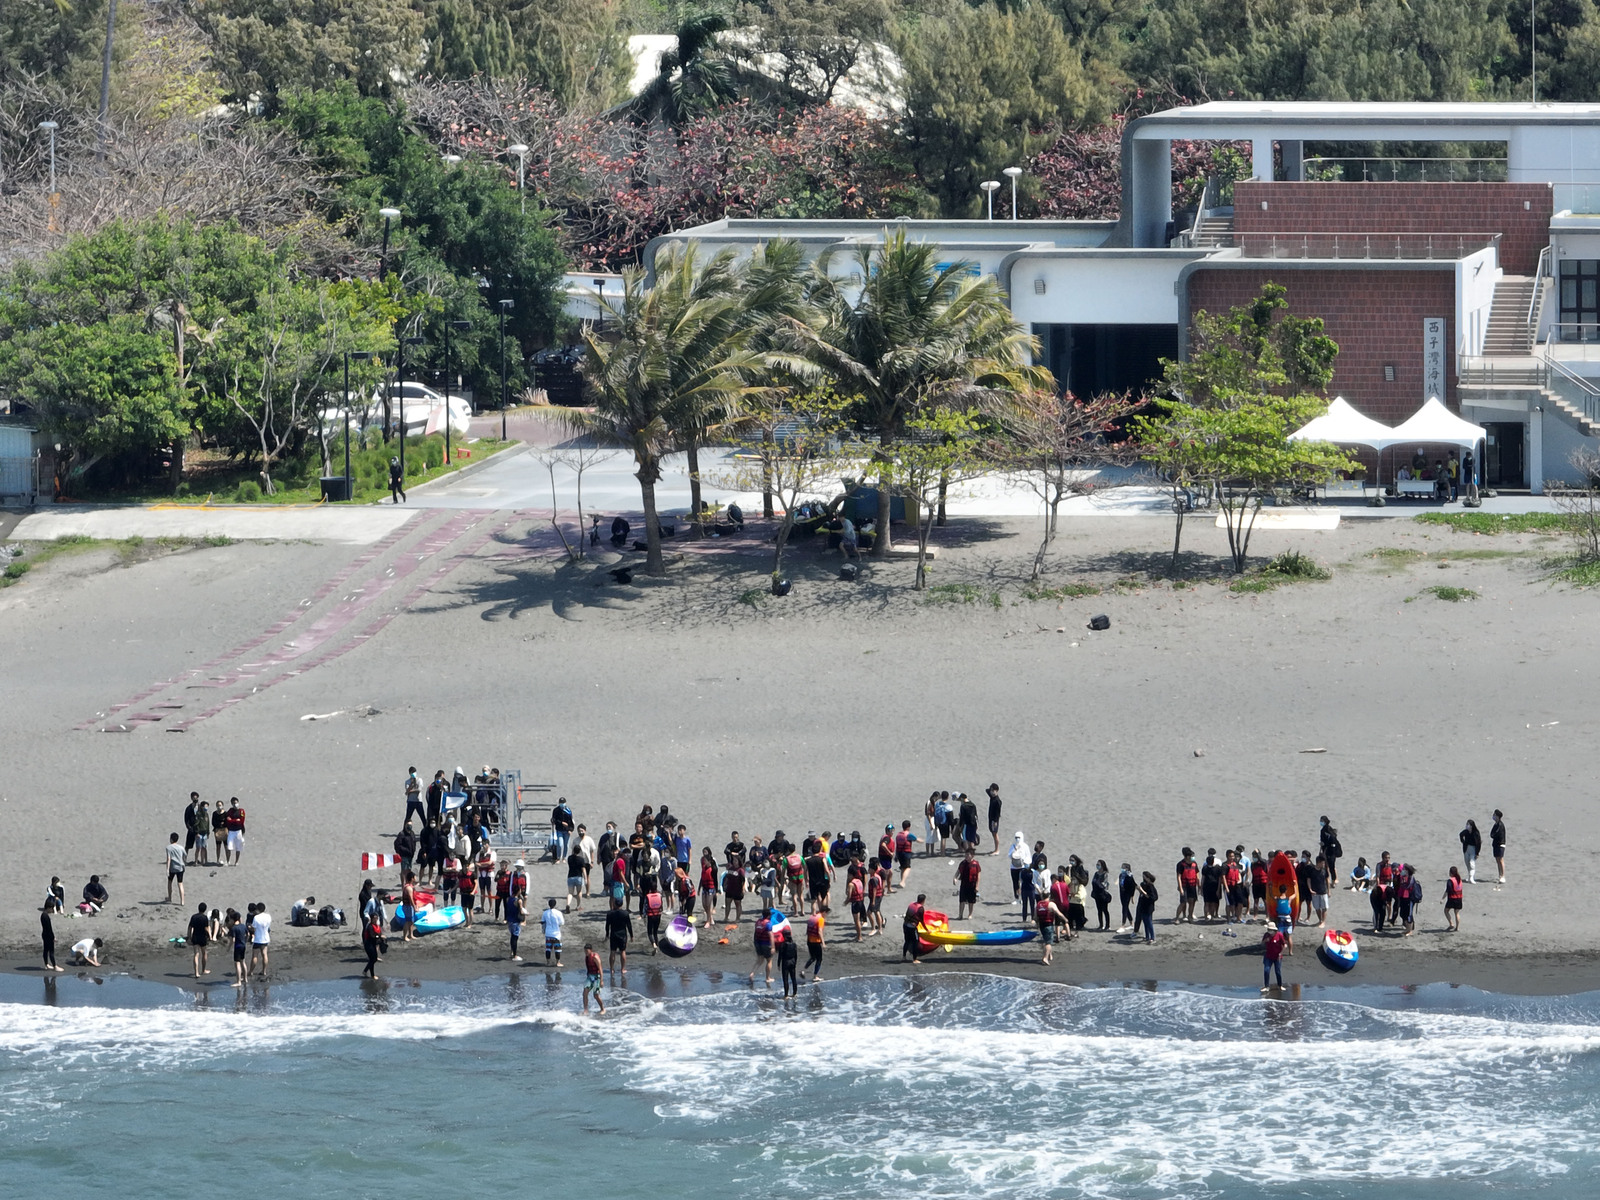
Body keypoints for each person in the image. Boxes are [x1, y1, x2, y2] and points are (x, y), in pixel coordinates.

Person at [954, 848, 981, 920]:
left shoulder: (976, 864)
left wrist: (977, 886)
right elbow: (958, 871)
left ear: (972, 856)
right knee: (961, 900)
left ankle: (970, 914)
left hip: (972, 885)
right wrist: (955, 878)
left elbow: (978, 876)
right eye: (965, 854)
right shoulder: (963, 863)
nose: (966, 856)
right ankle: (960, 915)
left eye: (968, 855)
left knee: (971, 901)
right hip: (964, 884)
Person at [187, 900, 211, 978]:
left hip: (195, 937)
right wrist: (210, 936)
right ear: (205, 909)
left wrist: (189, 937)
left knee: (196, 954)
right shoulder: (205, 918)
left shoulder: (194, 917)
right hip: (202, 937)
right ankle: (203, 970)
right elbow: (206, 928)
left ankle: (196, 972)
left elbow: (190, 928)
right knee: (204, 953)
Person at [1175, 848, 1199, 924]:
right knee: (1183, 902)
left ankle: (1190, 916)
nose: (1192, 857)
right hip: (1184, 886)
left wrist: (1199, 885)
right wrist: (1180, 888)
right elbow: (1178, 876)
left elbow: (1197, 874)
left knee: (1192, 902)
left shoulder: (1194, 863)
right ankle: (1177, 918)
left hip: (1192, 886)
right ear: (1187, 856)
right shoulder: (1180, 864)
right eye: (1191, 856)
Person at [778, 919, 800, 997]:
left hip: (785, 963)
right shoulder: (794, 944)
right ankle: (794, 993)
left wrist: (778, 964)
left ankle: (786, 995)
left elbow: (780, 955)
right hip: (793, 962)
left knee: (785, 979)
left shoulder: (783, 945)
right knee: (793, 978)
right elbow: (796, 955)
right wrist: (795, 963)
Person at [249, 901, 271, 979]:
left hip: (258, 939)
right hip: (265, 938)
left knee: (255, 956)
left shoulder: (256, 917)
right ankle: (264, 971)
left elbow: (253, 928)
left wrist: (249, 928)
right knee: (264, 954)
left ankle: (251, 971)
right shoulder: (268, 916)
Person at [805, 904, 827, 982]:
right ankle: (815, 976)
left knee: (812, 957)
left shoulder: (812, 917)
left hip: (809, 941)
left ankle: (803, 970)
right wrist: (823, 943)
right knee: (819, 959)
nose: (826, 915)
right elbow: (819, 931)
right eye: (826, 913)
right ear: (824, 912)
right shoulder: (820, 919)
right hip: (816, 942)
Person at [1261, 926, 1287, 992]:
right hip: (1268, 956)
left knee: (1277, 971)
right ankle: (1266, 986)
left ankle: (1280, 985)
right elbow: (1262, 943)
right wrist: (1265, 940)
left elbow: (1284, 945)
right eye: (1268, 929)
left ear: (1274, 930)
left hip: (1277, 957)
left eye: (1271, 930)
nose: (1269, 931)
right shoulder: (1266, 935)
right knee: (1266, 970)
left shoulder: (1279, 935)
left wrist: (1281, 953)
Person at [903, 894, 927, 964]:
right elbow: (921, 921)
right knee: (915, 942)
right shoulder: (921, 908)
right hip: (912, 928)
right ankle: (915, 959)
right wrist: (926, 929)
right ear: (923, 901)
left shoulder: (911, 905)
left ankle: (904, 957)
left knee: (907, 941)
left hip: (905, 925)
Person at [541, 898, 565, 967]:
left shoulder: (545, 913)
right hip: (556, 934)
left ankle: (548, 962)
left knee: (548, 948)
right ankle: (558, 962)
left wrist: (543, 930)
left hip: (548, 933)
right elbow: (562, 922)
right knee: (557, 949)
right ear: (555, 904)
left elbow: (543, 922)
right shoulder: (558, 913)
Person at [1135, 873, 1158, 944]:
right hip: (1143, 905)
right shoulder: (1144, 885)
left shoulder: (1151, 886)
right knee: (1145, 922)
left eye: (1145, 877)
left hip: (1148, 907)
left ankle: (1152, 938)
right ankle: (1147, 936)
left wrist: (1144, 893)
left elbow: (1153, 897)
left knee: (1149, 922)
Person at [582, 945, 606, 1015]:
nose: (586, 952)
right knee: (585, 993)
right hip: (590, 976)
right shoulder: (586, 957)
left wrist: (601, 981)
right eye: (585, 951)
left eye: (587, 951)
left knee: (596, 995)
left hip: (597, 977)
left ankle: (602, 1009)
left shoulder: (595, 958)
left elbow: (600, 970)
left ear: (591, 950)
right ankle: (585, 1010)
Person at [1318, 817, 1342, 886]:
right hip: (1325, 850)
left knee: (1331, 866)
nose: (1321, 822)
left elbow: (1332, 841)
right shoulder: (1322, 830)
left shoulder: (1329, 830)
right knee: (1326, 866)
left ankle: (1333, 880)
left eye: (1322, 821)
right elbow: (1322, 840)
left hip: (1331, 852)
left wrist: (1328, 849)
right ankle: (1327, 880)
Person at [1007, 832, 1029, 903]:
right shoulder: (1013, 846)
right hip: (1013, 867)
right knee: (1015, 883)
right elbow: (1009, 855)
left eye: (1019, 837)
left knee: (1023, 883)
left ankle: (1022, 898)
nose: (1017, 839)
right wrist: (1015, 851)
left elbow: (1028, 856)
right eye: (1016, 837)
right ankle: (1016, 898)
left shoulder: (1025, 846)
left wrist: (1025, 863)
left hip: (1022, 867)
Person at [227, 909, 248, 987]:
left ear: (232, 919)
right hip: (243, 945)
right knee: (243, 962)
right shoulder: (243, 926)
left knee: (237, 964)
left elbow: (233, 940)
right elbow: (247, 934)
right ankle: (245, 978)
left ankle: (238, 981)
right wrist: (245, 941)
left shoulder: (234, 928)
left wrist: (229, 948)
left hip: (237, 946)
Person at [1308, 856, 1330, 927]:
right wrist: (1310, 889)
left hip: (1323, 891)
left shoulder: (1324, 870)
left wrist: (1328, 891)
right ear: (1318, 863)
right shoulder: (1312, 870)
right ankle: (1320, 920)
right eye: (1322, 863)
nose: (1323, 864)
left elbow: (1327, 880)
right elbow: (1309, 880)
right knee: (1317, 908)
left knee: (1324, 907)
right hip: (1315, 892)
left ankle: (1323, 921)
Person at [1091, 860, 1113, 931]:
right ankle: (1101, 925)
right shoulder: (1096, 873)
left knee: (1105, 910)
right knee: (1099, 910)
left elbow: (1104, 884)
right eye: (1097, 864)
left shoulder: (1105, 874)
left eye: (1099, 865)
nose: (1097, 866)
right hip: (1097, 894)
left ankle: (1107, 925)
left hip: (1103, 894)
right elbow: (1093, 882)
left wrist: (1098, 883)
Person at [165, 832, 186, 904]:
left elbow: (168, 859)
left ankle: (170, 897)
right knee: (180, 883)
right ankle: (182, 901)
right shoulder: (181, 847)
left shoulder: (168, 848)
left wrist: (167, 869)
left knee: (170, 882)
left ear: (171, 839)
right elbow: (185, 855)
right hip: (180, 867)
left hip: (172, 868)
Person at [224, 799, 246, 866]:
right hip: (231, 831)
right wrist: (235, 820)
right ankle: (228, 861)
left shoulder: (241, 811)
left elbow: (241, 821)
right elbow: (227, 820)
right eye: (233, 803)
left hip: (238, 831)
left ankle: (236, 862)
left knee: (238, 847)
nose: (235, 804)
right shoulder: (230, 811)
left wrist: (232, 820)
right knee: (229, 847)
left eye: (236, 803)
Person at [505, 888, 525, 962]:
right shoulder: (518, 901)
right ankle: (515, 955)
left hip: (509, 920)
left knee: (512, 937)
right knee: (515, 938)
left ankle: (512, 952)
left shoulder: (509, 899)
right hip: (515, 921)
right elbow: (521, 911)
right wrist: (526, 914)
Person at [1460, 819, 1482, 884]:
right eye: (1466, 824)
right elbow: (1461, 834)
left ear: (1472, 826)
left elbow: (1478, 843)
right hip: (1466, 849)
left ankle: (1471, 878)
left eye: (1468, 825)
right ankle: (1469, 876)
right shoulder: (1466, 832)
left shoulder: (1476, 833)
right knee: (1467, 863)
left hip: (1473, 849)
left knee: (1472, 864)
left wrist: (1477, 853)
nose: (1467, 826)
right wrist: (1463, 841)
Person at [1443, 867, 1465, 931]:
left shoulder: (1450, 881)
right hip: (1459, 898)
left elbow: (1447, 890)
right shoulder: (1459, 880)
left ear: (1451, 873)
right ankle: (1457, 928)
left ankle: (1451, 924)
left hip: (1452, 899)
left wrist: (1442, 899)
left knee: (1446, 911)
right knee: (1457, 913)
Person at [1118, 863, 1137, 931]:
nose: (1122, 869)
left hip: (1127, 894)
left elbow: (1133, 886)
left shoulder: (1129, 877)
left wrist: (1132, 896)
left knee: (1124, 908)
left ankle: (1123, 924)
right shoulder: (1121, 876)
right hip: (1122, 894)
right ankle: (1131, 922)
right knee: (1125, 907)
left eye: (1124, 868)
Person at [191, 801, 211, 867]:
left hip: (205, 833)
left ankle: (203, 861)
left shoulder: (206, 814)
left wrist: (208, 833)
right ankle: (196, 861)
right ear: (202, 807)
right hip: (199, 833)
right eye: (205, 806)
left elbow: (208, 824)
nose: (206, 808)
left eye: (207, 806)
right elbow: (195, 824)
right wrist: (196, 833)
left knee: (204, 847)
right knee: (198, 848)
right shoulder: (198, 814)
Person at [40, 905, 60, 972]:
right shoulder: (46, 917)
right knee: (51, 951)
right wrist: (53, 937)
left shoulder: (43, 915)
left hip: (44, 934)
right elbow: (49, 928)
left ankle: (46, 964)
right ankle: (55, 966)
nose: (52, 910)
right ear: (49, 908)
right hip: (48, 935)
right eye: (52, 909)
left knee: (45, 950)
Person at [1491, 809, 1508, 885]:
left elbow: (1495, 834)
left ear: (1498, 816)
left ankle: (1503, 876)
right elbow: (1491, 834)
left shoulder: (1500, 825)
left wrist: (1493, 835)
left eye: (1494, 815)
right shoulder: (1495, 824)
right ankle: (1500, 875)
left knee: (1500, 859)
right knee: (1497, 860)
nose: (1493, 816)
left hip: (1500, 844)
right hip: (1495, 845)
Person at [985, 784, 1003, 855]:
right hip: (990, 818)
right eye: (991, 790)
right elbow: (986, 790)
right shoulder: (992, 797)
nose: (992, 792)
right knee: (993, 833)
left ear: (997, 791)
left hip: (994, 820)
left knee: (995, 834)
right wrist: (990, 790)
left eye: (993, 791)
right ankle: (995, 849)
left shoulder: (998, 801)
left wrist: (995, 821)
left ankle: (997, 850)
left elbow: (998, 813)